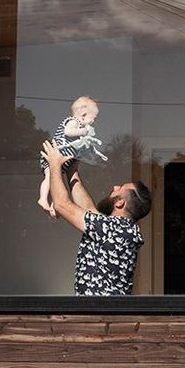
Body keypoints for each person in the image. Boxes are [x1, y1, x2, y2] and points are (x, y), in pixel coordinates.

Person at [41, 139, 152, 296]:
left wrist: (54, 164)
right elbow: (90, 210)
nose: (115, 187)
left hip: (100, 310)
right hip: (104, 309)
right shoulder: (120, 229)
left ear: (120, 203)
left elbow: (61, 204)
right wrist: (72, 171)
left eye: (120, 188)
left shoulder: (113, 229)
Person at [37, 95, 105, 215]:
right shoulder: (73, 121)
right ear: (83, 114)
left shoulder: (79, 126)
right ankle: (42, 199)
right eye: (93, 118)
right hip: (53, 157)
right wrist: (82, 132)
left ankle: (54, 206)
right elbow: (68, 132)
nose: (94, 121)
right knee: (49, 177)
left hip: (62, 161)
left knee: (57, 183)